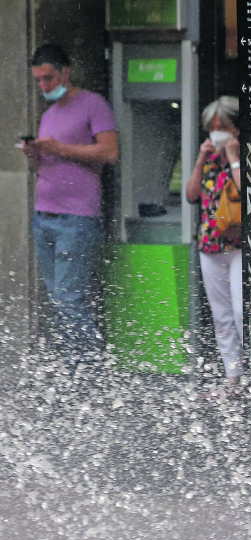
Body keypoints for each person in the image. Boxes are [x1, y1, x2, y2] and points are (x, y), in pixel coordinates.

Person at [21, 44, 118, 372]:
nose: (43, 85)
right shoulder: (48, 115)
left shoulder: (93, 104)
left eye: (48, 78)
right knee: (57, 297)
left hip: (77, 216)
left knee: (67, 297)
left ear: (66, 72)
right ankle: (76, 365)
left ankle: (88, 370)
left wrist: (60, 147)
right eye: (38, 80)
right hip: (44, 214)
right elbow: (49, 163)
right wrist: (36, 154)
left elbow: (110, 152)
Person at [186, 97, 243, 397]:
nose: (217, 133)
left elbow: (250, 192)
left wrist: (233, 157)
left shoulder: (246, 155)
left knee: (241, 312)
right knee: (222, 316)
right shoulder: (208, 160)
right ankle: (233, 379)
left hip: (239, 246)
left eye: (223, 127)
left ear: (236, 129)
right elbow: (191, 195)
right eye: (212, 128)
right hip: (210, 246)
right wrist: (200, 159)